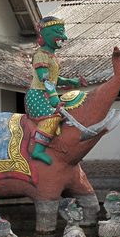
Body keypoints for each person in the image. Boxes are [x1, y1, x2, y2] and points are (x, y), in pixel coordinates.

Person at [25, 16, 86, 165]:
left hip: (47, 94)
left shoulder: (51, 56)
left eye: (63, 32)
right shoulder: (41, 55)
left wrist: (72, 81)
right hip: (37, 96)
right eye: (59, 32)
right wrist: (53, 95)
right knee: (53, 117)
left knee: (66, 116)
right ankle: (38, 151)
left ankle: (57, 146)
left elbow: (54, 79)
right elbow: (44, 78)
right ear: (46, 34)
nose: (63, 37)